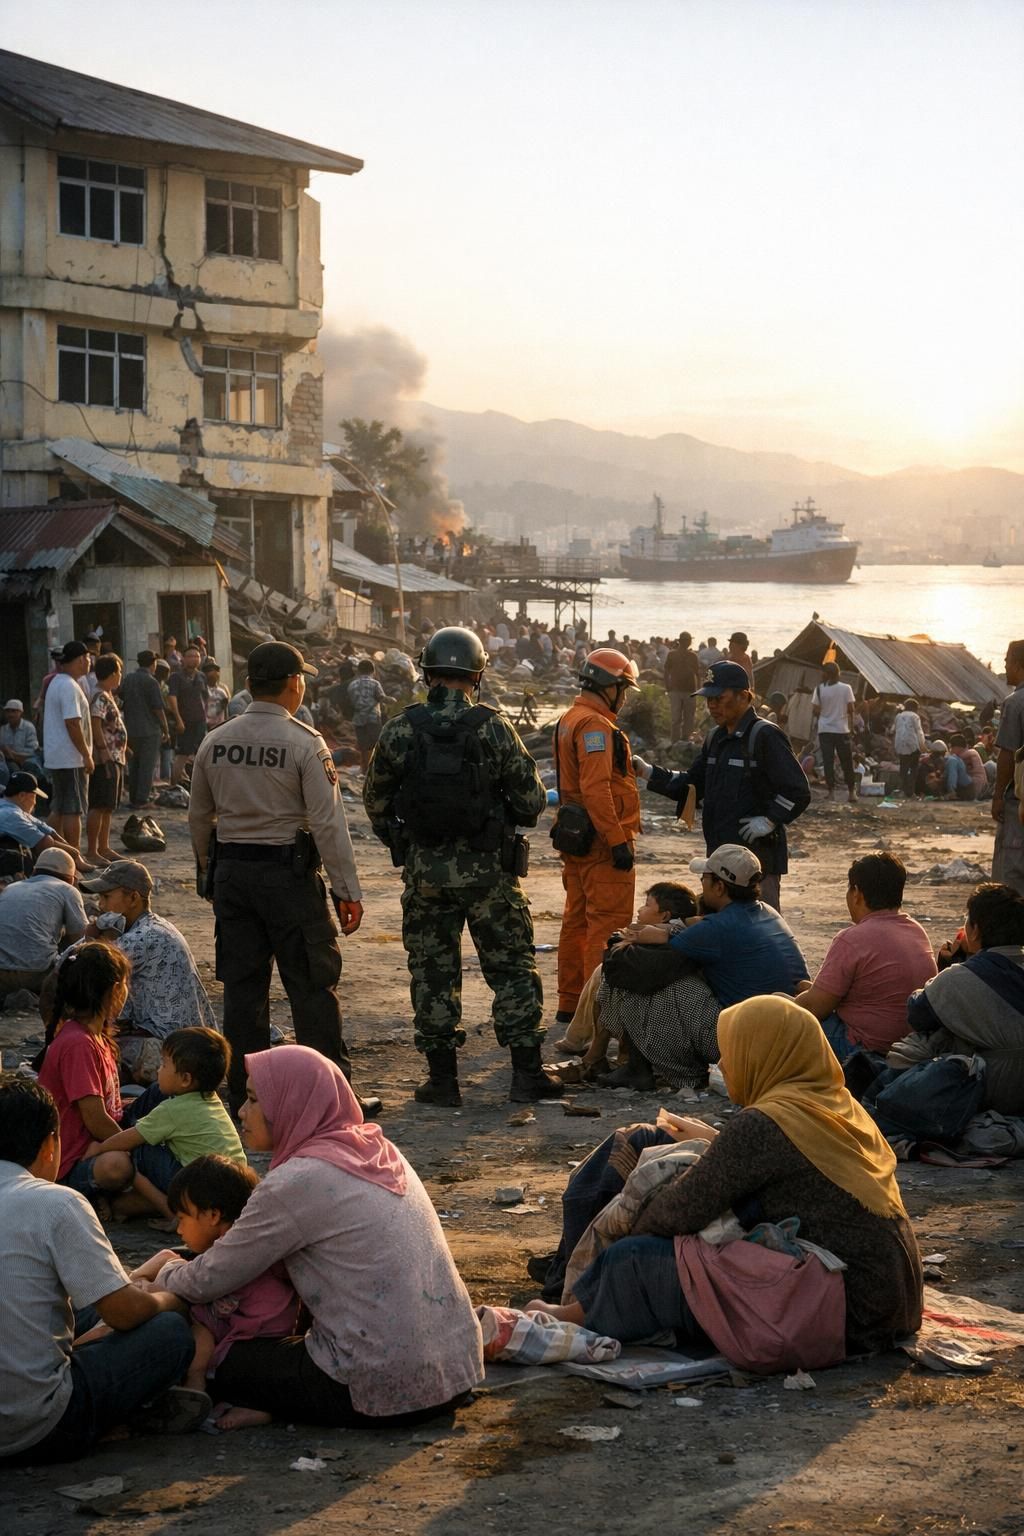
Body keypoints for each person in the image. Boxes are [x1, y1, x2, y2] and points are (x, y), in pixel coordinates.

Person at [528, 997, 923, 1359]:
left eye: (731, 1053)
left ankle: (577, 1305)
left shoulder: (765, 1124)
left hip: (844, 1312)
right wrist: (715, 1144)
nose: (724, 1066)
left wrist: (626, 1229)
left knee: (636, 1258)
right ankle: (578, 1282)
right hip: (889, 1301)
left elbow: (676, 1214)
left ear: (762, 1054)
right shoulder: (832, 1105)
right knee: (649, 1143)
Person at [154, 1045, 484, 1428]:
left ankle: (277, 1406)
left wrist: (164, 1276)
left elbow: (211, 1277)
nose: (242, 1113)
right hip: (455, 1373)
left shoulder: (297, 1181)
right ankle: (277, 1402)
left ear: (292, 1105)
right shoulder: (377, 1149)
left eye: (254, 1100)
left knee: (215, 1354)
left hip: (381, 1387)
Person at [364, 626, 556, 1105]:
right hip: (489, 872)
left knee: (432, 972)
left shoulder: (401, 727)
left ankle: (443, 1082)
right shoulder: (493, 726)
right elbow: (531, 799)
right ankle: (526, 1076)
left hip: (426, 875)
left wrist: (404, 843)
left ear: (427, 672)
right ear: (477, 674)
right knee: (511, 967)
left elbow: (375, 800)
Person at [188, 641, 370, 1114]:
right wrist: (346, 890)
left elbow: (199, 816)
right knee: (311, 989)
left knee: (243, 992)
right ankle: (330, 1099)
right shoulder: (305, 742)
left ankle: (245, 1099)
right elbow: (328, 824)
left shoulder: (215, 740)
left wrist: (209, 872)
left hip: (232, 875)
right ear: (295, 684)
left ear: (249, 686)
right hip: (288, 879)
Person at [0, 1079, 196, 1464]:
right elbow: (124, 1313)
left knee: (82, 1306)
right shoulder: (56, 1202)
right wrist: (168, 1299)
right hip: (34, 1427)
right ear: (49, 1145)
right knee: (170, 1333)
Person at [131, 1156, 299, 1431]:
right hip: (267, 1332)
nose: (180, 1228)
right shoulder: (250, 1236)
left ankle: (198, 1384)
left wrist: (155, 1281)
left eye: (183, 1218)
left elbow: (194, 1284)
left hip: (256, 1338)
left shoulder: (231, 1251)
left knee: (198, 1329)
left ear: (212, 1215)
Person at [637, 660, 810, 910]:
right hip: (719, 858)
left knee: (758, 931)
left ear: (744, 696)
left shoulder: (763, 735)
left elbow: (798, 790)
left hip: (757, 861)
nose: (712, 705)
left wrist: (770, 819)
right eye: (709, 699)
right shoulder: (715, 739)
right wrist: (649, 772)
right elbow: (692, 784)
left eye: (719, 698)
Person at [551, 648, 642, 1029]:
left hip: (578, 839)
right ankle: (597, 1016)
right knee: (606, 926)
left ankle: (571, 1004)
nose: (624, 698)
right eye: (623, 689)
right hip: (601, 842)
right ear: (610, 687)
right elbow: (596, 788)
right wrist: (618, 840)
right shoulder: (595, 727)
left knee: (577, 922)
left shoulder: (571, 718)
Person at [889, 883, 1024, 1115]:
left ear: (975, 930)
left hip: (995, 1088)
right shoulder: (974, 973)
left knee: (919, 1044)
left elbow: (918, 1014)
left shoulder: (960, 977)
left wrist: (948, 971)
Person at [621, 844, 808, 1005]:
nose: (701, 884)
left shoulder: (717, 927)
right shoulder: (767, 910)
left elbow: (656, 951)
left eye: (703, 879)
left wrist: (646, 934)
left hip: (750, 1027)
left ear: (719, 887)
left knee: (664, 985)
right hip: (792, 1015)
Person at [795, 853, 937, 1061]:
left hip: (866, 1048)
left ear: (857, 894)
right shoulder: (915, 930)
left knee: (778, 1009)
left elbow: (813, 1008)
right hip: (909, 1044)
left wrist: (783, 1005)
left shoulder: (852, 939)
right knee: (801, 992)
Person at [91, 1028, 245, 1220]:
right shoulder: (211, 1100)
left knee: (137, 1149)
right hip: (232, 1190)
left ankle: (169, 1211)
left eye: (164, 1065)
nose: (158, 1070)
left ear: (185, 1079)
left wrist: (100, 1148)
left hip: (199, 1191)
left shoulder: (173, 1110)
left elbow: (131, 1138)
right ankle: (137, 1204)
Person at [78, 861, 216, 1073]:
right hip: (185, 1040)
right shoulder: (154, 926)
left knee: (85, 1048)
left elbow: (73, 964)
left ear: (133, 898)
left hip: (175, 1047)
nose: (101, 906)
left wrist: (92, 932)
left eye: (106, 897)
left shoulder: (145, 937)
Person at [36, 941, 136, 1199]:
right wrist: (134, 1143)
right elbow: (95, 1118)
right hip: (70, 1162)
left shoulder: (96, 1036)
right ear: (115, 990)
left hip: (95, 1143)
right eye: (126, 984)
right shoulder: (78, 1043)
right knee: (117, 1166)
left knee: (157, 1098)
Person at [0, 848, 87, 1000]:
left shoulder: (10, 888)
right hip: (36, 975)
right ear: (71, 878)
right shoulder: (67, 890)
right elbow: (81, 940)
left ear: (34, 871)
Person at [43, 640, 94, 852]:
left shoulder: (58, 682)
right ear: (82, 659)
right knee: (73, 810)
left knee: (59, 808)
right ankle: (74, 854)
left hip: (58, 756)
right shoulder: (68, 685)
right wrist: (86, 755)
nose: (90, 662)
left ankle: (52, 850)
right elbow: (73, 723)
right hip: (71, 757)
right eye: (88, 658)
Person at [0, 772, 92, 875]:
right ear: (22, 796)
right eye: (34, 797)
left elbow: (46, 829)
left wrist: (75, 855)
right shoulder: (10, 815)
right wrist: (73, 857)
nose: (35, 803)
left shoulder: (9, 806)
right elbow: (44, 842)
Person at [87, 654, 127, 864]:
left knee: (108, 805)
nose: (120, 676)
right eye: (119, 671)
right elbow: (95, 723)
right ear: (112, 674)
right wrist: (102, 750)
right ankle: (93, 850)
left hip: (115, 755)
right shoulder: (100, 696)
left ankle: (104, 847)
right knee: (100, 803)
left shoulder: (107, 694)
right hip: (106, 758)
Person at [992, 640, 1024, 895]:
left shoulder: (1014, 703)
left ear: (1018, 664)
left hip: (1018, 799)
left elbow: (1007, 754)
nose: (1004, 666)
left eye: (1007, 660)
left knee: (1011, 870)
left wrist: (998, 795)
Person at [120, 651, 170, 810]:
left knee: (134, 765)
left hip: (131, 729)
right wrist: (166, 729)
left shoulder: (128, 679)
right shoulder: (151, 682)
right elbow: (158, 708)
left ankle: (134, 798)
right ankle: (142, 799)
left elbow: (120, 697)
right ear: (152, 663)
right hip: (149, 730)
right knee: (147, 767)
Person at [811, 661, 857, 802]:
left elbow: (815, 710)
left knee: (828, 761)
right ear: (838, 673)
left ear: (826, 674)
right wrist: (852, 728)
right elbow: (851, 710)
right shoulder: (846, 688)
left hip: (825, 730)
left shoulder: (819, 689)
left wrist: (826, 712)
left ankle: (831, 793)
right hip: (841, 730)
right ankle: (851, 792)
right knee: (846, 762)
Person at [168, 645, 209, 786]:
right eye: (190, 656)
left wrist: (206, 717)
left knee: (202, 753)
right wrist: (178, 719)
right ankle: (173, 785)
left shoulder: (202, 676)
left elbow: (206, 698)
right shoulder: (176, 677)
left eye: (197, 656)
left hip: (200, 720)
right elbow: (172, 698)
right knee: (182, 754)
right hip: (185, 721)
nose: (194, 659)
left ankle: (200, 785)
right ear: (183, 659)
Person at [346, 658, 388, 774]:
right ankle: (374, 770)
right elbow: (381, 697)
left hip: (358, 719)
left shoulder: (352, 685)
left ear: (358, 671)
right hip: (373, 718)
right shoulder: (375, 683)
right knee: (375, 745)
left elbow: (350, 703)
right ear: (373, 671)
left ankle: (364, 770)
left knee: (363, 746)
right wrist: (391, 700)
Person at [664, 632, 701, 742]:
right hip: (675, 690)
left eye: (689, 640)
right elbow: (666, 671)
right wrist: (667, 686)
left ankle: (685, 741)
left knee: (689, 718)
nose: (688, 642)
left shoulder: (693, 656)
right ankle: (675, 741)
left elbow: (697, 673)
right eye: (686, 640)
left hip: (690, 690)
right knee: (676, 718)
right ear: (680, 641)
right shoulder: (672, 654)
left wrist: (698, 689)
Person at [1, 698, 45, 782]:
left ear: (20, 712)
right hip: (9, 762)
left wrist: (13, 754)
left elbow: (33, 750)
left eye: (13, 711)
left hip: (28, 760)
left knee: (32, 767)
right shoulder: (3, 729)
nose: (10, 714)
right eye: (8, 711)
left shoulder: (28, 727)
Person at [892, 699, 927, 799]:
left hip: (900, 745)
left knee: (903, 768)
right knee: (913, 769)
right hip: (912, 744)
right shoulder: (914, 716)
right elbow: (919, 732)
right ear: (915, 708)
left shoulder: (898, 716)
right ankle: (911, 793)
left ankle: (901, 791)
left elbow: (893, 730)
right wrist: (922, 745)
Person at [948, 733, 989, 800]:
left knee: (953, 760)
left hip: (975, 785)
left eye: (952, 748)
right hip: (977, 785)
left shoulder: (971, 753)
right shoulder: (969, 753)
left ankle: (951, 791)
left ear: (957, 747)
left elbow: (954, 758)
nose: (951, 750)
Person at [202, 658, 230, 730]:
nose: (213, 673)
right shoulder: (201, 690)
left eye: (216, 671)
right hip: (204, 727)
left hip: (219, 727)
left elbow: (226, 710)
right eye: (209, 670)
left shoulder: (222, 691)